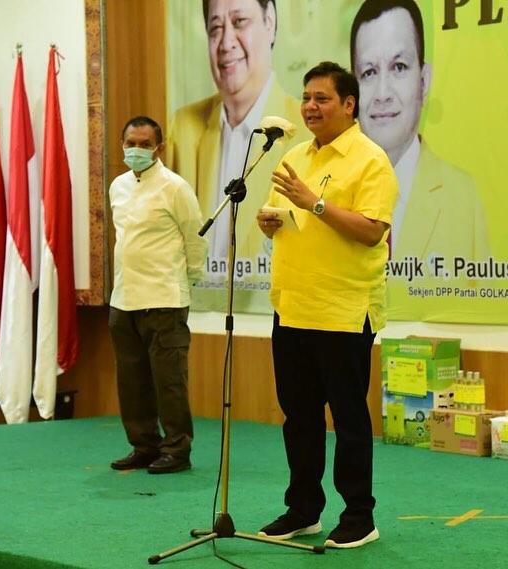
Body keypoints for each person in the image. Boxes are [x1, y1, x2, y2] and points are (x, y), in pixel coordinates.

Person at [255, 62, 397, 549]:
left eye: (322, 99)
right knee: (299, 417)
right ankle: (303, 509)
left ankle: (359, 516)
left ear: (349, 104)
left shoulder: (371, 159)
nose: (310, 107)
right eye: (306, 98)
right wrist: (269, 221)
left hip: (343, 310)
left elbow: (372, 230)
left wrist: (314, 203)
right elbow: (280, 213)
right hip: (293, 306)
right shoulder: (295, 155)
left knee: (349, 419)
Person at [167, 0, 306, 263]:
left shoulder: (304, 131)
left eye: (239, 22)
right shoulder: (183, 126)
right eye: (215, 28)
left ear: (269, 22)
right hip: (201, 287)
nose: (226, 43)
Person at [350, 0, 489, 261]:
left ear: (423, 82)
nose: (382, 94)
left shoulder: (463, 196)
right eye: (368, 73)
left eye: (399, 67)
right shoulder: (331, 189)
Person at [108, 116, 207, 475]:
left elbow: (195, 238)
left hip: (164, 299)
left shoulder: (175, 187)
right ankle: (144, 445)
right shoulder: (118, 186)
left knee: (169, 382)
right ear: (122, 145)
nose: (136, 150)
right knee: (132, 381)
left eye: (145, 144)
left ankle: (177, 449)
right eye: (131, 143)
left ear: (159, 148)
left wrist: (186, 282)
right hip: (124, 298)